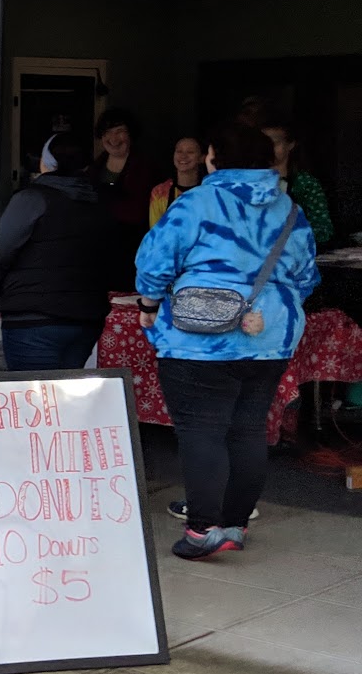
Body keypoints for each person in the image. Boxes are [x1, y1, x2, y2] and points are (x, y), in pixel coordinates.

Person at [134, 122, 320, 560]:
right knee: (249, 429)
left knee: (202, 431)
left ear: (215, 159)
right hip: (270, 339)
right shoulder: (289, 209)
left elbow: (155, 261)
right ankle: (235, 524)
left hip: (199, 340)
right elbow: (307, 275)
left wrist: (148, 302)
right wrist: (268, 310)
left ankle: (203, 530)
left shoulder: (197, 202)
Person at [0, 131, 119, 371]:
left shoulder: (31, 199)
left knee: (35, 391)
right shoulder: (99, 201)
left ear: (46, 163)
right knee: (66, 391)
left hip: (33, 317)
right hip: (87, 317)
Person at [94, 108, 152, 290]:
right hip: (99, 247)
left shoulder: (144, 166)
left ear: (131, 135)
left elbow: (141, 211)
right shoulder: (95, 167)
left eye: (120, 131)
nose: (113, 138)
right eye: (107, 132)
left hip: (132, 248)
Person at [263, 119, 334, 248]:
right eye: (263, 144)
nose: (268, 149)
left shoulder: (305, 183)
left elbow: (323, 228)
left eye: (275, 143)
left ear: (290, 144)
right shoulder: (249, 182)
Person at [149, 136, 206, 228]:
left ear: (202, 158)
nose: (183, 156)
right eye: (179, 151)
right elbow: (156, 231)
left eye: (190, 152)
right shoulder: (159, 192)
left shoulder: (209, 192)